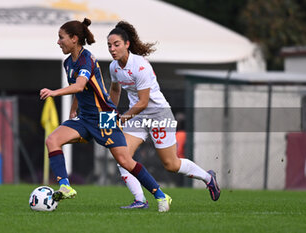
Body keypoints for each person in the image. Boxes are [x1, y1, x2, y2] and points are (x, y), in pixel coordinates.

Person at [40, 18, 172, 212]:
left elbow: (79, 85)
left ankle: (161, 196)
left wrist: (53, 92)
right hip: (85, 117)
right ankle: (65, 186)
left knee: (125, 161)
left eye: (61, 38)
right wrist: (72, 111)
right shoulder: (68, 62)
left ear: (75, 39)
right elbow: (80, 91)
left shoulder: (87, 59)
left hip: (105, 117)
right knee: (52, 140)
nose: (58, 42)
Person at [107, 21, 220, 209]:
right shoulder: (114, 67)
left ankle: (208, 177)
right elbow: (115, 90)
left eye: (116, 44)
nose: (112, 49)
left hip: (158, 114)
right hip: (138, 116)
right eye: (109, 45)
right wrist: (110, 113)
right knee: (122, 157)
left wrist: (121, 119)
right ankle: (140, 200)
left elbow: (143, 102)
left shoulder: (140, 66)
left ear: (127, 44)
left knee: (171, 164)